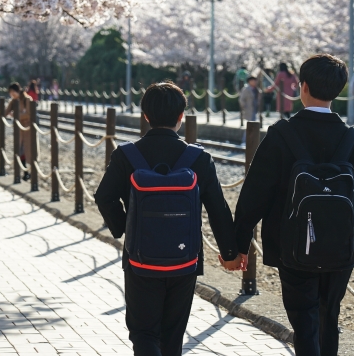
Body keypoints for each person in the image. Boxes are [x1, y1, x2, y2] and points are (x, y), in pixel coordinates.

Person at [234, 54, 354, 356]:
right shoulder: (353, 139)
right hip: (340, 245)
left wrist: (238, 243)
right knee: (330, 314)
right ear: (338, 91)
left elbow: (254, 196)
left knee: (304, 321)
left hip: (292, 244)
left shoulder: (281, 135)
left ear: (303, 87)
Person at [95, 82, 243, 356]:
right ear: (181, 117)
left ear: (146, 116)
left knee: (144, 332)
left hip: (140, 259)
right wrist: (230, 252)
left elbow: (104, 197)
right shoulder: (199, 158)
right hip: (184, 260)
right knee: (173, 334)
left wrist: (124, 228)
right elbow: (218, 209)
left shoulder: (126, 155)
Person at [3, 83, 34, 181]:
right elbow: (6, 112)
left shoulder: (27, 99)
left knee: (30, 152)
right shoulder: (13, 101)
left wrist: (16, 115)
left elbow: (29, 114)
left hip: (28, 129)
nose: (11, 94)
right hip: (19, 130)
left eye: (13, 92)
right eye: (10, 93)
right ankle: (25, 173)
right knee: (20, 151)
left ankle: (31, 173)